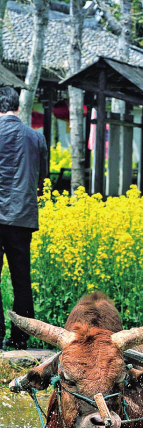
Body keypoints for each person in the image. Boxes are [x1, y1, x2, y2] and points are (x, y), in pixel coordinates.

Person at [0, 86, 47, 350]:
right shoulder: (36, 137)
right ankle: (20, 338)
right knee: (21, 279)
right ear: (18, 107)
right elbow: (42, 181)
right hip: (22, 217)